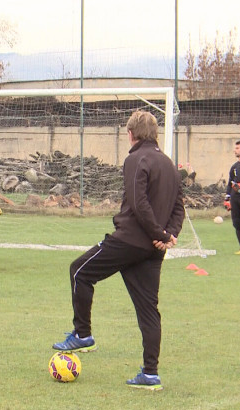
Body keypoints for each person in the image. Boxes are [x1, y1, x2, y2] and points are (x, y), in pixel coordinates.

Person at [51, 110, 185, 391]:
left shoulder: (136, 158)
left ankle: (83, 334)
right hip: (152, 249)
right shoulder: (170, 164)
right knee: (149, 310)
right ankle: (150, 374)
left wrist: (160, 233)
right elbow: (179, 206)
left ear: (131, 134)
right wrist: (168, 235)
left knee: (79, 271)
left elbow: (139, 203)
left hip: (129, 241)